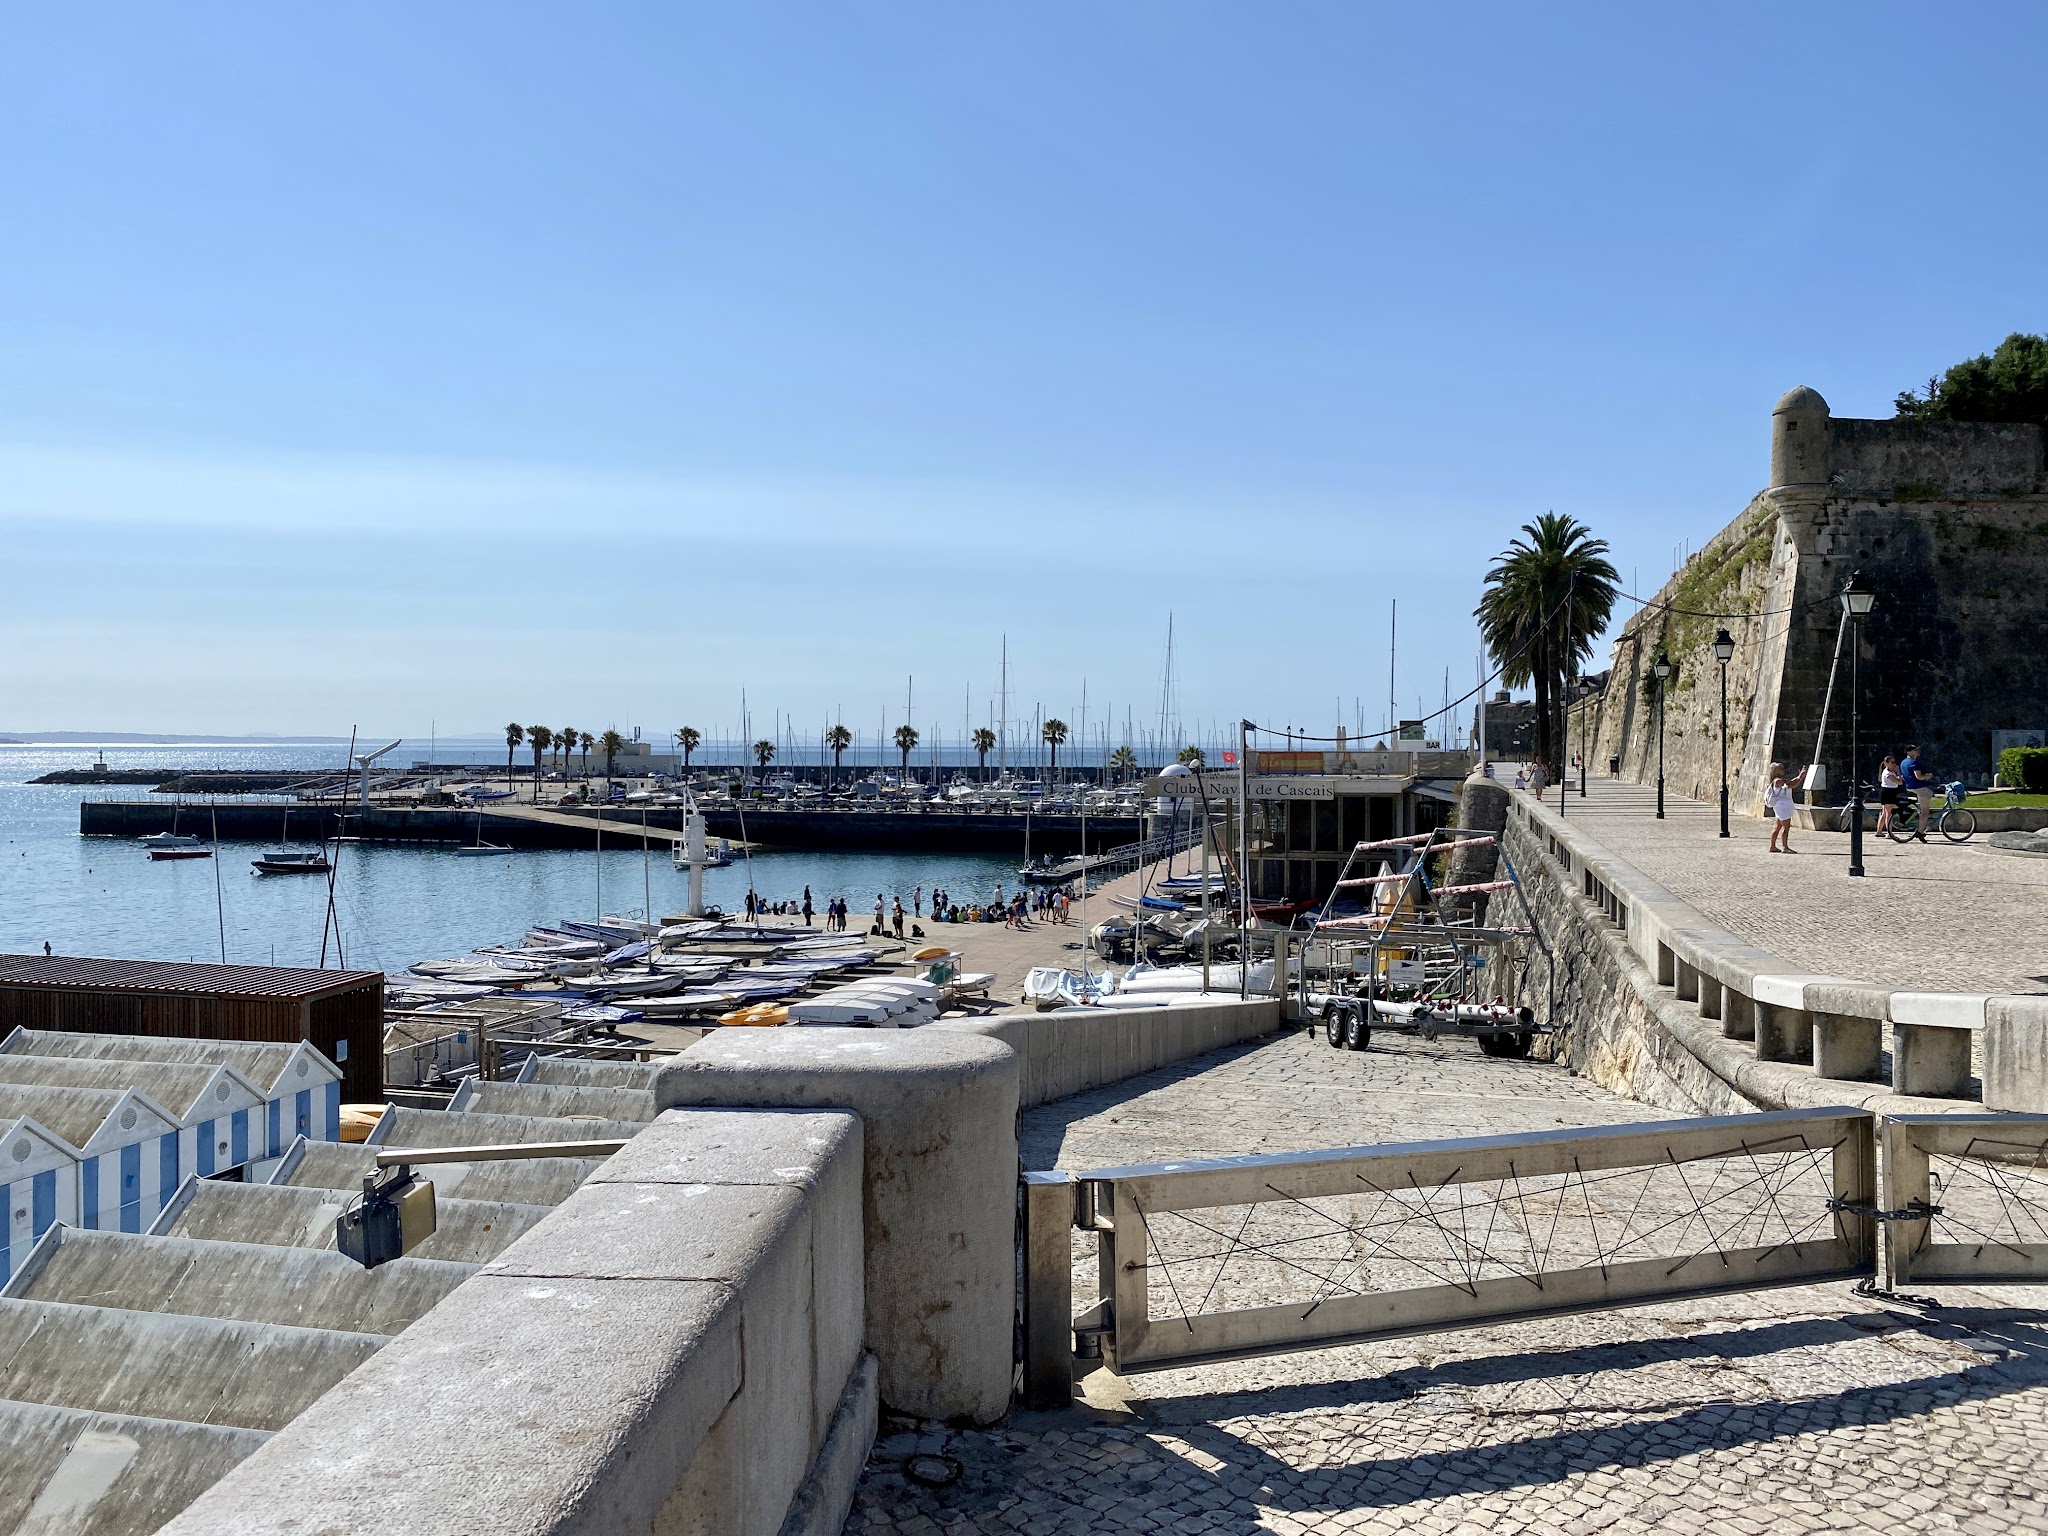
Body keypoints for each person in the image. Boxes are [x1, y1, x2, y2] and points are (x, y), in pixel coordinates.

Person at [1765, 762, 1807, 853]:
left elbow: (1792, 784)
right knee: (1786, 827)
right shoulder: (1778, 781)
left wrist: (1800, 777)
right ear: (1776, 771)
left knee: (1777, 827)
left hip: (1781, 806)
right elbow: (1791, 784)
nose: (1783, 770)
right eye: (1781, 768)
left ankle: (1773, 846)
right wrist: (1799, 777)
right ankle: (1785, 847)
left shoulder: (1778, 781)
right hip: (1782, 807)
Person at [1901, 745, 1934, 842]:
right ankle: (1920, 831)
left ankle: (1922, 818)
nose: (1918, 751)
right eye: (1916, 750)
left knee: (1927, 797)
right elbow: (1919, 776)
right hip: (1919, 787)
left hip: (1910, 787)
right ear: (1909, 752)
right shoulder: (1914, 763)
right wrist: (1928, 776)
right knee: (1925, 811)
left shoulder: (1903, 762)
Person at [1876, 757, 1902, 836]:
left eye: (1894, 762)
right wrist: (1898, 772)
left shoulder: (1891, 772)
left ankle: (1879, 831)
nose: (1894, 764)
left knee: (1884, 813)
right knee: (1888, 813)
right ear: (1886, 763)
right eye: (1892, 762)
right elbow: (1899, 782)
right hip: (1888, 792)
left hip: (1890, 792)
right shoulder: (1887, 773)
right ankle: (1889, 832)